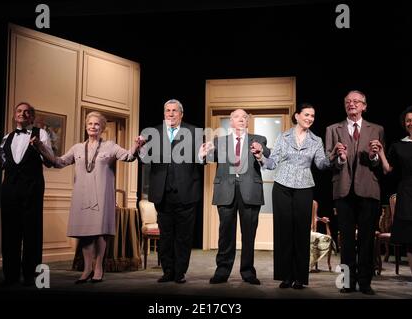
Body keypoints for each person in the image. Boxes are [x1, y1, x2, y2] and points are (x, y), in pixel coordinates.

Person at [33, 111, 142, 284]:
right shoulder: (77, 148)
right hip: (82, 196)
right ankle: (86, 269)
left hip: (102, 195)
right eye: (90, 124)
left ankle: (98, 267)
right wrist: (40, 148)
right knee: (85, 234)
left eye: (97, 124)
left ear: (102, 128)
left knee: (100, 233)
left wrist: (137, 146)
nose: (93, 127)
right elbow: (58, 162)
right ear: (86, 127)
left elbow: (128, 156)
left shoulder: (110, 146)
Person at [253, 103, 333, 289]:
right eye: (306, 114)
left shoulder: (316, 140)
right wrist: (260, 157)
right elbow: (273, 163)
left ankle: (300, 278)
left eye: (312, 116)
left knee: (301, 233)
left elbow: (321, 164)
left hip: (304, 187)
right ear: (297, 116)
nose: (310, 118)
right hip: (282, 186)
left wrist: (334, 157)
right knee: (283, 232)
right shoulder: (283, 136)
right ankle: (285, 276)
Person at [199, 108, 269, 285]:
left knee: (249, 234)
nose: (241, 119)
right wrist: (201, 155)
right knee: (225, 234)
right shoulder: (220, 141)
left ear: (247, 122)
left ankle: (248, 272)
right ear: (230, 122)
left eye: (244, 117)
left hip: (250, 191)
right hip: (226, 191)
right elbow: (208, 158)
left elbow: (267, 159)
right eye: (237, 117)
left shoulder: (258, 140)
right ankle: (222, 271)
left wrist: (260, 153)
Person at [325, 90, 384, 295]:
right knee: (346, 240)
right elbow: (328, 162)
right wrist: (340, 158)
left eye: (356, 101)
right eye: (348, 101)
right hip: (343, 189)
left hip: (368, 190)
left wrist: (375, 156)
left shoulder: (377, 129)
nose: (352, 104)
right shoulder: (333, 129)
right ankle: (347, 283)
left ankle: (365, 283)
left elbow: (378, 164)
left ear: (364, 106)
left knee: (367, 239)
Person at [139, 99, 202, 284]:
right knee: (166, 235)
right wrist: (141, 149)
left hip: (187, 191)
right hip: (162, 193)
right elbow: (146, 159)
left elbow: (200, 159)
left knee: (184, 236)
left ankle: (180, 272)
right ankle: (167, 271)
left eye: (175, 111)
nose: (171, 114)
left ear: (181, 114)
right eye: (168, 110)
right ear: (164, 113)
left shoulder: (194, 132)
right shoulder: (154, 132)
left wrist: (203, 154)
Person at [0, 102, 53, 286]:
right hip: (9, 189)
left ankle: (31, 277)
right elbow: (0, 164)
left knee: (32, 233)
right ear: (14, 115)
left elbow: (49, 161)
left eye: (27, 112)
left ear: (32, 117)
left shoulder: (41, 133)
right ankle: (10, 276)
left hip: (32, 189)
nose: (23, 114)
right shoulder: (6, 137)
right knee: (10, 233)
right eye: (19, 111)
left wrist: (39, 147)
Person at [372, 105, 412, 298]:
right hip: (408, 195)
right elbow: (388, 170)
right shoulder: (399, 145)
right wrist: (382, 152)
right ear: (404, 124)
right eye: (408, 121)